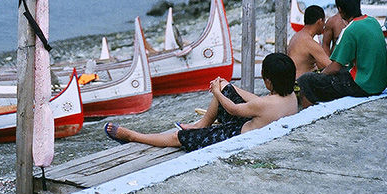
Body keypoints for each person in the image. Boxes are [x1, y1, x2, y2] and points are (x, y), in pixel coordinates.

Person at [103, 53, 297, 151]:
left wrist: (216, 92)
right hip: (253, 123)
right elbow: (258, 102)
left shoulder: (264, 105)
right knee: (225, 86)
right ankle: (201, 124)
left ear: (268, 80)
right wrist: (228, 87)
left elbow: (234, 109)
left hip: (235, 134)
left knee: (178, 137)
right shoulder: (290, 97)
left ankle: (133, 136)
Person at [297, 0, 387, 108]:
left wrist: (320, 76)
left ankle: (307, 112)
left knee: (306, 80)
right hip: (380, 84)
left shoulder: (350, 30)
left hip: (364, 86)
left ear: (340, 10)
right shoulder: (373, 21)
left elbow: (335, 67)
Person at [288, 5, 331, 78]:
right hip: (301, 82)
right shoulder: (309, 43)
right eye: (324, 21)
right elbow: (330, 66)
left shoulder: (297, 36)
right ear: (320, 21)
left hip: (294, 79)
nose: (324, 25)